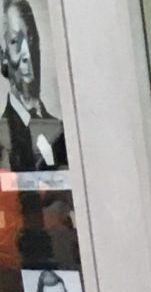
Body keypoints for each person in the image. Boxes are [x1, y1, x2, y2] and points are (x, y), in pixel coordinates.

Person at [2, 0, 64, 173]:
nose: (27, 54)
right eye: (15, 42)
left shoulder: (60, 130)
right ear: (3, 58)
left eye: (31, 39)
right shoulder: (3, 138)